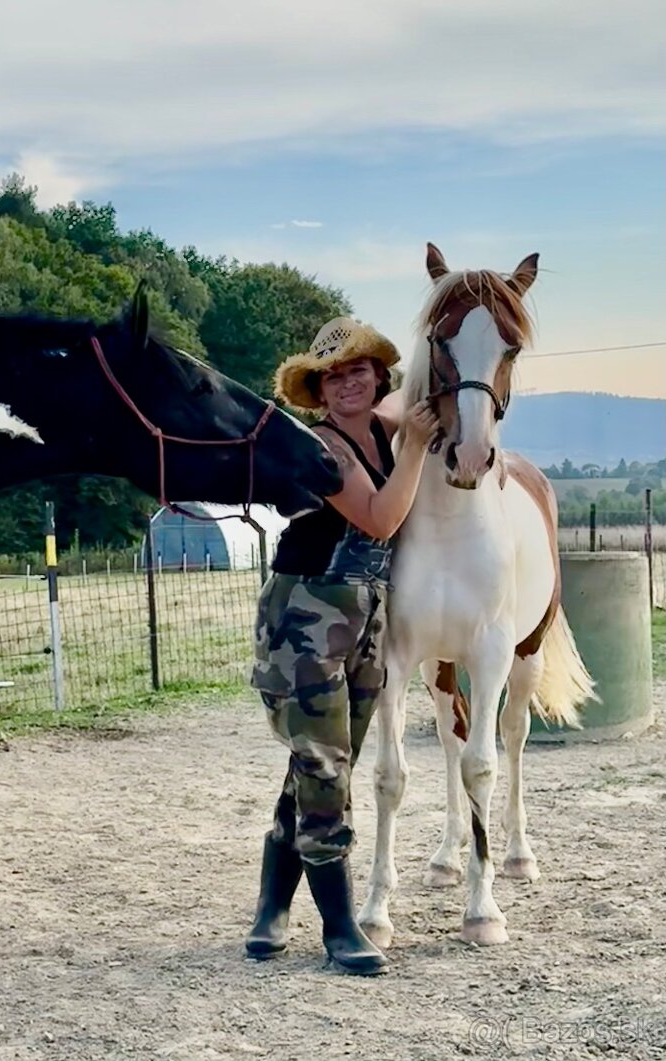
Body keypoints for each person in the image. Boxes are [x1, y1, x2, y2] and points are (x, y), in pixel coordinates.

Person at [245, 317, 438, 975]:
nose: (348, 380)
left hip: (365, 619)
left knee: (323, 764)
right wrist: (414, 447)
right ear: (319, 390)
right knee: (325, 767)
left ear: (377, 377)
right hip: (305, 614)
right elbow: (381, 517)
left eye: (359, 369)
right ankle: (340, 927)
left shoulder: (385, 431)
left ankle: (271, 906)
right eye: (334, 374)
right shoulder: (322, 447)